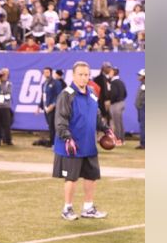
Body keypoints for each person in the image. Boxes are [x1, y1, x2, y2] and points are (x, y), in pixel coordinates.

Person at [54, 60, 117, 220]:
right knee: (71, 177)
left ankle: (88, 208)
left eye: (86, 75)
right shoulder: (66, 95)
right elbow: (60, 120)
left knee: (91, 176)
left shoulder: (91, 93)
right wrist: (67, 138)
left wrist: (106, 129)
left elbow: (96, 116)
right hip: (72, 145)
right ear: (73, 75)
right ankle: (67, 208)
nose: (84, 78)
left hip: (89, 144)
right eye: (80, 74)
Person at [37, 66, 64, 147]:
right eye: (44, 72)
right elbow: (43, 96)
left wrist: (53, 105)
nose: (46, 74)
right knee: (50, 125)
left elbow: (59, 95)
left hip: (53, 108)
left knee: (53, 126)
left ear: (51, 72)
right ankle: (52, 141)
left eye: (47, 72)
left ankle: (54, 143)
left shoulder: (56, 83)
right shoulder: (44, 84)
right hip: (46, 108)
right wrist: (39, 106)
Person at [106, 66, 127, 146]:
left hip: (116, 104)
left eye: (110, 72)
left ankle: (118, 140)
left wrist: (111, 101)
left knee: (116, 123)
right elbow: (125, 93)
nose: (109, 73)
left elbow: (114, 94)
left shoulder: (114, 82)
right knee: (120, 123)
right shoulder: (121, 81)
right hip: (121, 103)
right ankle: (122, 139)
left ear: (113, 73)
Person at [0, 68, 14, 146]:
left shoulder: (9, 84)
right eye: (2, 74)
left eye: (5, 74)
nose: (3, 75)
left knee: (6, 124)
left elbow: (7, 94)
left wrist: (0, 86)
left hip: (5, 107)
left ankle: (8, 140)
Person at [135, 67, 145, 150]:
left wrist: (142, 105)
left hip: (143, 108)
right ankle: (143, 143)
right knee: (142, 125)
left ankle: (143, 143)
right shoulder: (142, 85)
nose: (138, 76)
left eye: (140, 75)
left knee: (143, 126)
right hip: (141, 108)